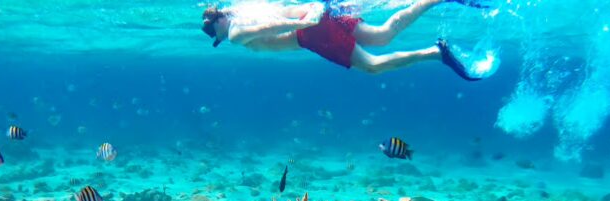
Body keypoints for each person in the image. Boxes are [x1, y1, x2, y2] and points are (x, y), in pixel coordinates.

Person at [201, 0, 498, 80]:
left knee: (373, 66)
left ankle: (436, 53)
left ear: (218, 23)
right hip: (317, 18)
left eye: (213, 33)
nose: (218, 38)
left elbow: (270, 26)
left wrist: (302, 22)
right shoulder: (248, 8)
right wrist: (310, 13)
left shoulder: (237, 31)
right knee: (382, 35)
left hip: (311, 32)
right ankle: (433, 1)